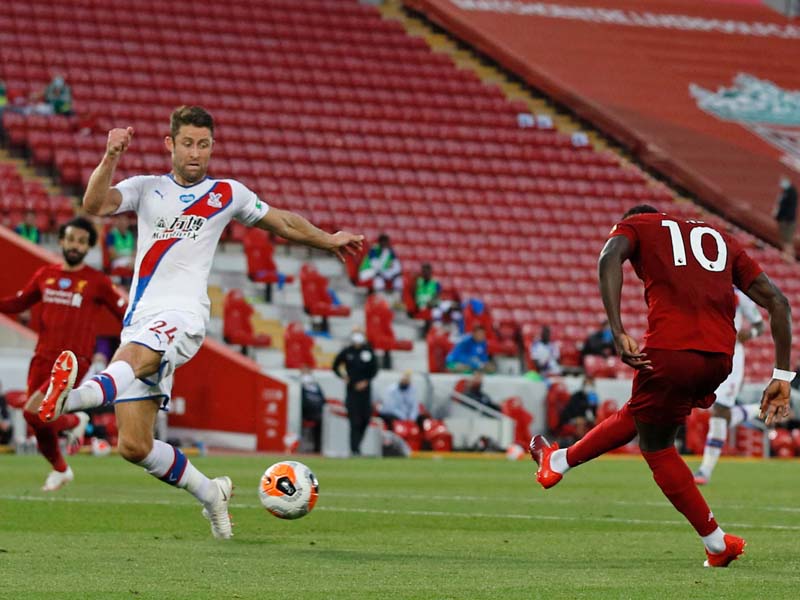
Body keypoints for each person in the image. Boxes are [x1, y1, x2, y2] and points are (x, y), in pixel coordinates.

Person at [37, 106, 363, 539]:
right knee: (134, 445)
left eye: (204, 144)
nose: (196, 153)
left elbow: (281, 219)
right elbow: (95, 204)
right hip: (141, 319)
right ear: (170, 145)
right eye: (188, 143)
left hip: (184, 317)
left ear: (213, 147)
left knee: (132, 359)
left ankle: (70, 401)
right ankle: (211, 493)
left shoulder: (227, 193)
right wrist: (111, 155)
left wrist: (327, 239)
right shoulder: (147, 189)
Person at [529, 205, 791, 568]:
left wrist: (618, 332)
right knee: (643, 415)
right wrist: (782, 376)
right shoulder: (723, 239)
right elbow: (779, 302)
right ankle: (558, 461)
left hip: (671, 351)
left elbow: (609, 257)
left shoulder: (638, 225)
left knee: (658, 448)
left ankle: (717, 544)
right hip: (719, 359)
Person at [0, 217, 127, 490]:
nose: (74, 245)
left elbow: (124, 314)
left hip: (73, 359)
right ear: (61, 241)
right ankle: (61, 468)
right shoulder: (46, 274)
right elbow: (19, 302)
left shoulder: (97, 281)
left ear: (89, 247)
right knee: (36, 421)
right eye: (70, 239)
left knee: (35, 413)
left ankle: (74, 420)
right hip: (42, 356)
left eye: (81, 241)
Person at [694, 289, 765, 485]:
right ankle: (757, 410)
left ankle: (705, 470)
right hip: (705, 353)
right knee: (719, 415)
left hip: (731, 356)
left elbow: (760, 325)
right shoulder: (701, 285)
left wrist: (749, 332)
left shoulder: (738, 294)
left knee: (719, 412)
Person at [332, 327, 378, 456]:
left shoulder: (368, 351)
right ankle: (354, 449)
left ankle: (357, 445)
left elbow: (374, 369)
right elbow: (335, 366)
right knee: (354, 420)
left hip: (365, 392)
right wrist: (344, 377)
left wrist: (366, 381)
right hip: (352, 391)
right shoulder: (347, 352)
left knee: (365, 419)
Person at [299, 367, 326, 453]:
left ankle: (317, 448)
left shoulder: (316, 386)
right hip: (305, 414)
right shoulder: (300, 386)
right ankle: (303, 448)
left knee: (320, 426)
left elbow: (322, 399)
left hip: (318, 413)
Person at [774, 176, 797, 259]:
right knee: (784, 241)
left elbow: (788, 208)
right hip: (785, 220)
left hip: (788, 221)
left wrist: (784, 218)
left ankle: (789, 257)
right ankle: (787, 256)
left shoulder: (791, 192)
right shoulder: (785, 193)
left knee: (788, 241)